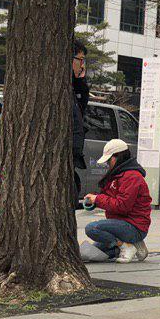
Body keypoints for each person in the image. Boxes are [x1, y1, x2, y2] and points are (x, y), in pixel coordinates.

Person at [83, 138, 151, 262]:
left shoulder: (132, 177)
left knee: (92, 228)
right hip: (121, 224)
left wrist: (98, 199)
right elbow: (110, 197)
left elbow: (122, 206)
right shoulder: (118, 174)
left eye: (109, 160)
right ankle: (132, 245)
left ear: (117, 157)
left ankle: (125, 245)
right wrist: (94, 199)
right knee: (92, 253)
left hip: (133, 226)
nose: (107, 164)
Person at [71, 41, 90, 201]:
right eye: (80, 60)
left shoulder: (72, 87)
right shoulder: (59, 88)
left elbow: (82, 107)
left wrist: (80, 81)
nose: (82, 66)